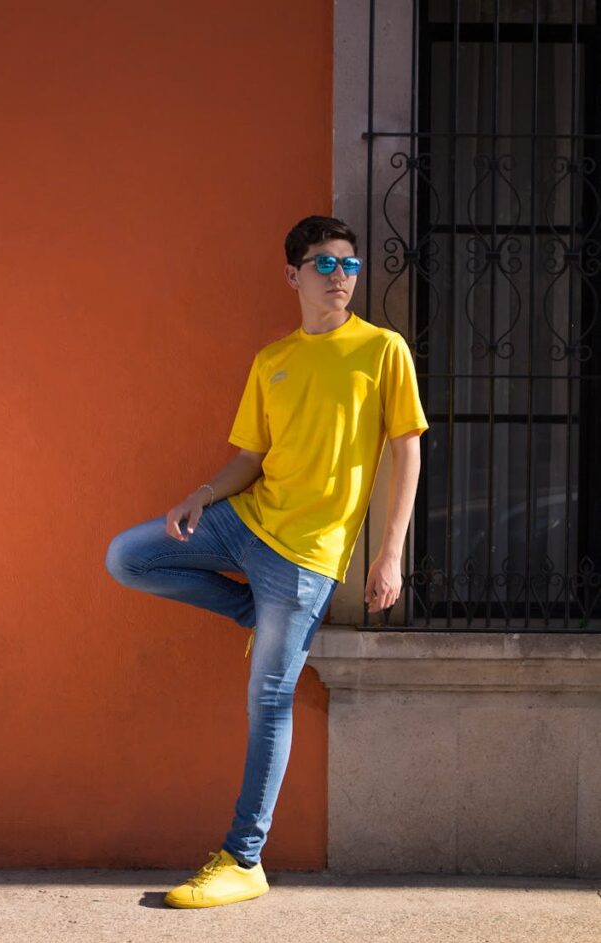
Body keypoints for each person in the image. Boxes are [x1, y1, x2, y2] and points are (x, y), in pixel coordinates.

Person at [104, 214, 429, 908]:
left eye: (350, 265)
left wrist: (390, 553)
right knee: (128, 557)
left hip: (309, 555)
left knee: (268, 699)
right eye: (324, 265)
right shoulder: (272, 360)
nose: (339, 278)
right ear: (293, 274)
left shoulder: (382, 350)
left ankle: (244, 859)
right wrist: (200, 495)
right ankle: (257, 610)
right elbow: (251, 460)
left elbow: (408, 452)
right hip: (244, 523)